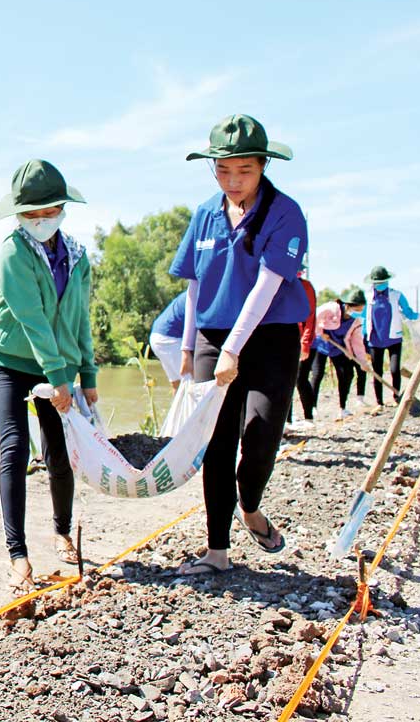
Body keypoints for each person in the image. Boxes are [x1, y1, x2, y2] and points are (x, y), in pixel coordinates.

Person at [169, 114, 309, 575]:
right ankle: (217, 551)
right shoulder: (206, 214)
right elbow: (193, 285)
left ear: (264, 166)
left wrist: (234, 349)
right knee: (218, 440)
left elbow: (266, 287)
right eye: (223, 170)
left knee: (262, 431)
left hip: (270, 335)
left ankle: (249, 504)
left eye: (244, 171)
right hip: (213, 334)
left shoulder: (285, 213)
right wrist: (190, 349)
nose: (233, 181)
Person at [0, 159, 96, 591]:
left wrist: (86, 375)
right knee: (13, 448)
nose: (41, 221)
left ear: (62, 209)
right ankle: (18, 554)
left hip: (61, 367)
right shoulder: (12, 254)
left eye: (49, 212)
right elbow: (32, 320)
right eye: (32, 215)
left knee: (59, 453)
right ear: (18, 215)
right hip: (11, 362)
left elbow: (80, 318)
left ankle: (63, 532)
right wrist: (58, 378)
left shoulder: (78, 256)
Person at [309, 289, 372, 418]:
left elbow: (357, 343)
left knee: (347, 374)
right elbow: (313, 318)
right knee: (318, 373)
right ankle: (312, 406)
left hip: (339, 348)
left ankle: (342, 408)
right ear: (348, 305)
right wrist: (320, 332)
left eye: (361, 310)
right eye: (357, 309)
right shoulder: (331, 308)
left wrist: (362, 362)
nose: (359, 312)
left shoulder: (356, 322)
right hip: (322, 343)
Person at [364, 265, 420, 406]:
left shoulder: (397, 295)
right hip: (375, 340)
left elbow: (407, 311)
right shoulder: (368, 296)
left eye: (382, 282)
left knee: (395, 369)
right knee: (377, 373)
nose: (380, 285)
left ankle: (396, 396)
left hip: (393, 338)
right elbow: (364, 317)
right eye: (377, 283)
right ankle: (379, 402)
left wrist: (417, 317)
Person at [286, 269, 317, 430]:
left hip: (299, 341)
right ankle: (286, 421)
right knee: (282, 382)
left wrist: (305, 343)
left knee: (299, 379)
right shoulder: (276, 282)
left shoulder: (306, 287)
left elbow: (310, 318)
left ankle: (309, 417)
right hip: (278, 340)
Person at [149, 290, 188, 390]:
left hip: (157, 336)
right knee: (191, 385)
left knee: (177, 384)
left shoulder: (193, 289)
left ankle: (176, 406)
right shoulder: (202, 293)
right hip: (170, 339)